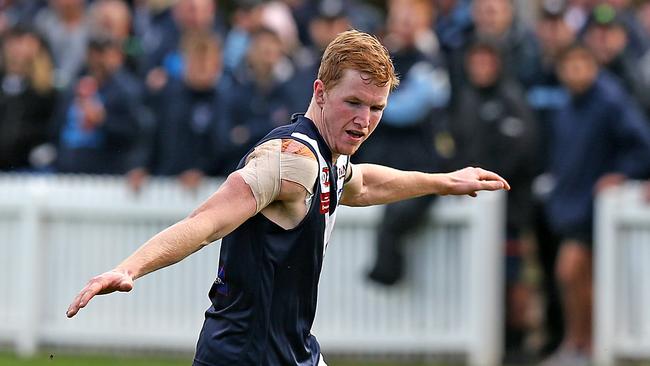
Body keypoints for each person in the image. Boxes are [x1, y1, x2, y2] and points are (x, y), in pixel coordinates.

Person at [66, 30, 511, 366]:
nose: (364, 120)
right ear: (320, 91)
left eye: (376, 108)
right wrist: (130, 268)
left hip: (291, 351)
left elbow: (364, 184)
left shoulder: (328, 156)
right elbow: (206, 222)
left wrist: (444, 181)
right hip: (244, 356)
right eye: (353, 102)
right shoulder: (290, 160)